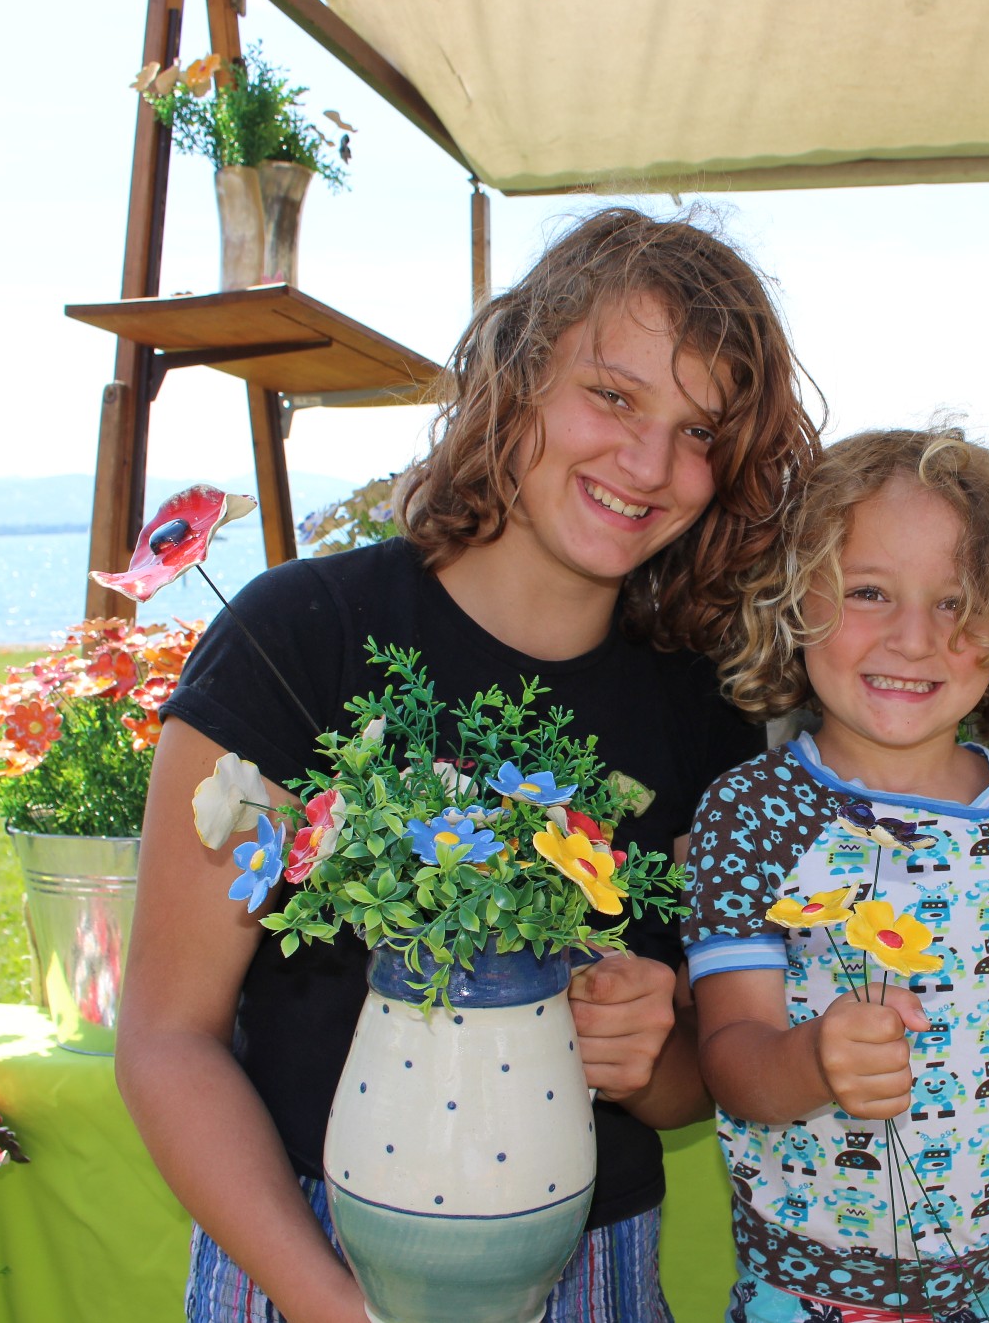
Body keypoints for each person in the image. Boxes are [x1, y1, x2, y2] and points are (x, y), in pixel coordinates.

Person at [117, 207, 820, 1323]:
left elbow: (696, 1078)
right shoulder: (301, 635)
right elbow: (165, 1039)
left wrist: (650, 1047)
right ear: (515, 374)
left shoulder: (703, 710)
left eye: (700, 431)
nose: (649, 464)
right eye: (613, 395)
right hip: (302, 1261)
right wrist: (333, 1304)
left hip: (596, 1264)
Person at [683, 429, 989, 1321]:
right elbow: (729, 1054)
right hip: (807, 1294)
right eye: (870, 592)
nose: (914, 638)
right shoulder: (754, 812)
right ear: (791, 597)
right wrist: (812, 1060)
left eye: (957, 602)